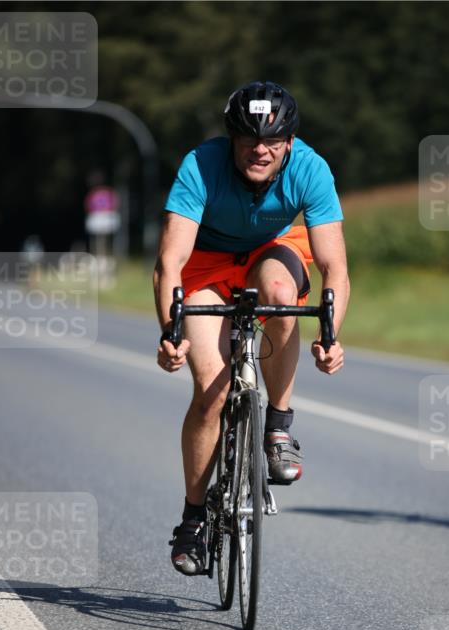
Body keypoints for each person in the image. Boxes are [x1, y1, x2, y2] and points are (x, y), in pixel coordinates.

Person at [153, 81, 349, 575]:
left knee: (282, 297)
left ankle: (278, 427)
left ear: (289, 141)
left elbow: (335, 268)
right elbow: (169, 262)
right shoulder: (201, 165)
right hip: (206, 265)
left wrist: (330, 336)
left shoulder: (311, 168)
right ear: (232, 139)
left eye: (273, 141)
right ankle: (193, 520)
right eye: (248, 139)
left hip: (270, 252)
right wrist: (170, 332)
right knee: (211, 393)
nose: (260, 150)